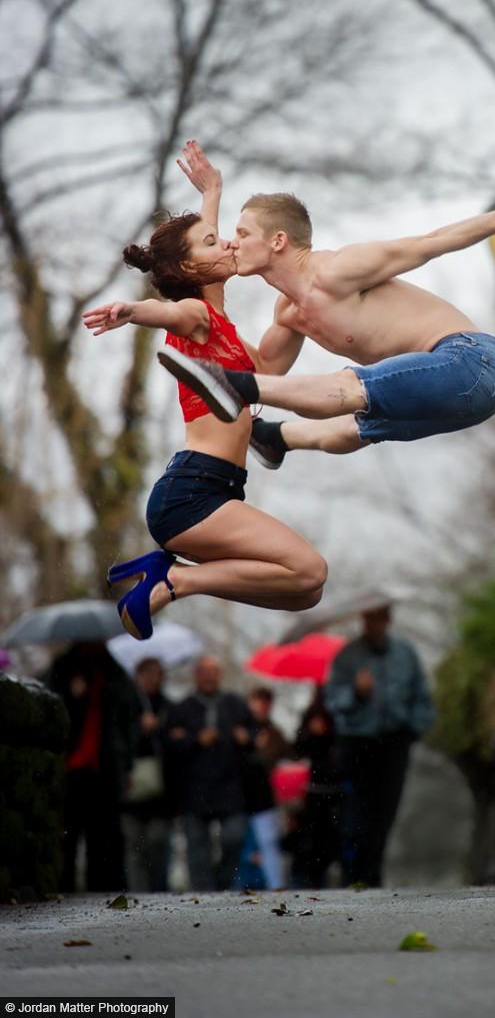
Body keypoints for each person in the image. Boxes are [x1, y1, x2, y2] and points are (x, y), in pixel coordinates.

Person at [157, 157, 495, 467]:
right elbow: (262, 366)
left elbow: (432, 242)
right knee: (359, 424)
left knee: (348, 388)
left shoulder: (338, 270)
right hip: (463, 402)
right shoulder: (288, 314)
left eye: (242, 234)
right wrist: (208, 201)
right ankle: (275, 438)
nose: (231, 242)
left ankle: (235, 388)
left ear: (278, 241)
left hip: (473, 361)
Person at [82, 141, 327, 639]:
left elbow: (202, 248)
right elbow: (169, 310)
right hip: (192, 493)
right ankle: (173, 580)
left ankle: (170, 577)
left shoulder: (220, 321)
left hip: (217, 489)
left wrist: (213, 190)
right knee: (309, 569)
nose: (229, 244)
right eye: (216, 243)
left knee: (305, 590)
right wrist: (132, 312)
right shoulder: (194, 317)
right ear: (191, 270)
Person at [324, 601, 435, 887]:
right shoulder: (348, 656)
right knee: (356, 811)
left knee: (386, 810)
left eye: (380, 618)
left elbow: (421, 696)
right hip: (357, 742)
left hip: (394, 742)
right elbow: (333, 701)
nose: (375, 623)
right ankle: (354, 874)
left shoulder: (405, 653)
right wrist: (356, 693)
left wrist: (414, 728)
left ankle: (374, 873)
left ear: (388, 620)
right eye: (370, 618)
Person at [45, 641, 139, 893]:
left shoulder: (115, 673)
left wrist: (127, 764)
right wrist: (71, 696)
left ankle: (102, 889)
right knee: (67, 834)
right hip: (72, 767)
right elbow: (50, 711)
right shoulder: (63, 669)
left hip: (104, 769)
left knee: (104, 837)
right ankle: (63, 886)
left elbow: (129, 720)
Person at [166, 655, 254, 891]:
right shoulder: (182, 708)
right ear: (196, 675)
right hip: (195, 789)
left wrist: (246, 738)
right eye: (203, 671)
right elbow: (171, 744)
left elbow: (255, 734)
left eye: (212, 671)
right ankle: (203, 894)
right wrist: (195, 740)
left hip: (230, 787)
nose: (207, 676)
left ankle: (223, 883)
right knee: (197, 847)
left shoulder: (234, 704)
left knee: (234, 837)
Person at [121, 657, 177, 893]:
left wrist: (158, 730)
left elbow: (175, 746)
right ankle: (138, 893)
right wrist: (139, 730)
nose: (151, 679)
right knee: (134, 845)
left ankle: (158, 891)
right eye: (147, 674)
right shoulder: (126, 706)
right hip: (132, 786)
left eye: (156, 674)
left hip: (161, 791)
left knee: (157, 842)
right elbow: (119, 741)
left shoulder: (168, 707)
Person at [287, 687, 341, 889]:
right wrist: (311, 733)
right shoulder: (310, 715)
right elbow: (298, 749)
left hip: (336, 789)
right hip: (314, 790)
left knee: (331, 841)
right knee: (309, 843)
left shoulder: (342, 715)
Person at [240, 686, 290, 889]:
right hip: (240, 798)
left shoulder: (275, 734)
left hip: (264, 798)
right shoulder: (240, 730)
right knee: (242, 846)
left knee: (268, 843)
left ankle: (275, 885)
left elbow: (281, 760)